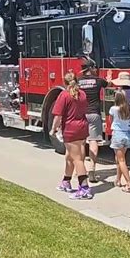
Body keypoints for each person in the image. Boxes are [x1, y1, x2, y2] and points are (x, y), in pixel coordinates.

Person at [50, 72, 93, 200]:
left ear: (65, 82)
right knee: (70, 156)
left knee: (77, 159)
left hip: (70, 129)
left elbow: (58, 115)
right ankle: (66, 181)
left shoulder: (64, 95)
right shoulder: (82, 94)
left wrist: (53, 129)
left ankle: (84, 188)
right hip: (82, 126)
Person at [78, 59, 112, 183]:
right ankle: (91, 170)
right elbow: (108, 85)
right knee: (93, 141)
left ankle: (80, 169)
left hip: (81, 114)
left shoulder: (78, 81)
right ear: (91, 68)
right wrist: (108, 77)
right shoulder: (98, 81)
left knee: (81, 142)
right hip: (94, 114)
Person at [109, 90, 130, 193]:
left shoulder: (113, 109)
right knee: (119, 158)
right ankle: (118, 179)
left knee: (121, 160)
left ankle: (129, 183)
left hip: (118, 134)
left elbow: (111, 120)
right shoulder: (128, 109)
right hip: (127, 134)